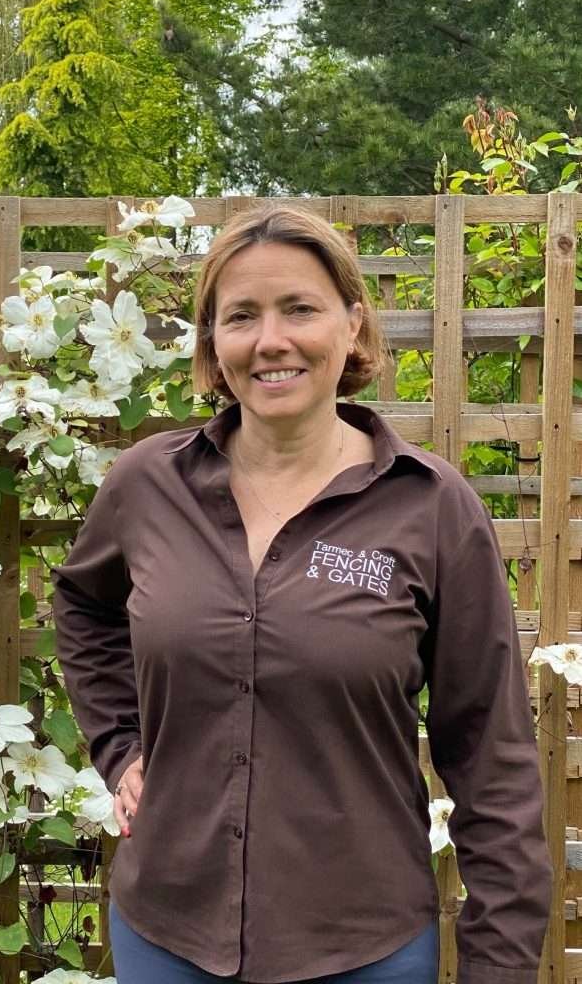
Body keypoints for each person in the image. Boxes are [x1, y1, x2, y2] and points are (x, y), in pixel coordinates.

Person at [51, 204, 552, 984]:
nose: (269, 341)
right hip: (166, 932)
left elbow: (493, 759)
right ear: (212, 343)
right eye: (240, 316)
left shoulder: (429, 508)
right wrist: (119, 746)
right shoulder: (147, 487)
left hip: (361, 946)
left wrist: (499, 966)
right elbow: (83, 607)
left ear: (352, 325)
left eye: (299, 309)